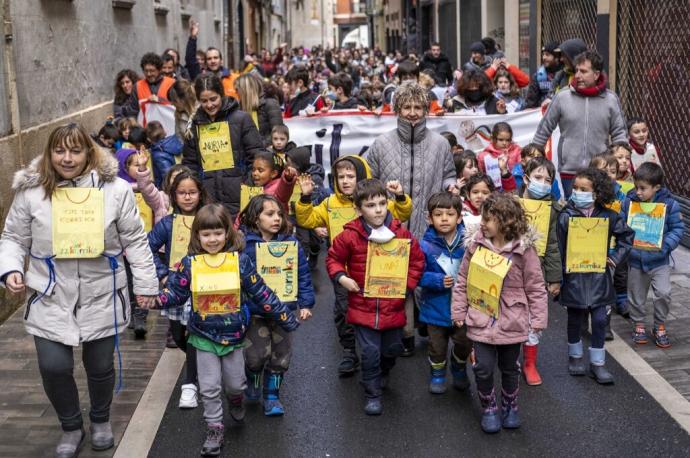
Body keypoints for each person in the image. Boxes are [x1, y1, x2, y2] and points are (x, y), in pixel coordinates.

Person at [0, 123, 158, 456]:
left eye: (75, 150)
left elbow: (134, 239)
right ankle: (71, 426)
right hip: (50, 293)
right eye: (59, 150)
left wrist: (145, 284)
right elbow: (13, 237)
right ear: (49, 153)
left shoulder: (114, 190)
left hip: (101, 292)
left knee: (100, 365)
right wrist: (11, 268)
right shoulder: (32, 192)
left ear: (89, 151)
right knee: (54, 366)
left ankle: (100, 419)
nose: (67, 158)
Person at [154, 203, 299, 457]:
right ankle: (214, 428)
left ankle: (235, 400)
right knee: (209, 387)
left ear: (227, 234)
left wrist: (285, 316)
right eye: (206, 234)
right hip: (203, 336)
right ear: (197, 235)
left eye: (218, 233)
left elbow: (261, 291)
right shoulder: (190, 263)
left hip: (233, 336)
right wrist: (156, 300)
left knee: (235, 384)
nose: (212, 239)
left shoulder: (240, 262)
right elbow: (176, 294)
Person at [296, 156, 412, 376]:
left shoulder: (373, 200)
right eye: (341, 177)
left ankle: (379, 347)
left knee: (375, 309)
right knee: (343, 310)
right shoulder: (330, 203)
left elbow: (402, 212)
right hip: (344, 270)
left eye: (351, 176)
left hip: (378, 266)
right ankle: (349, 351)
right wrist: (305, 196)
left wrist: (400, 196)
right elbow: (307, 219)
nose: (346, 181)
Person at [366, 81, 457, 354]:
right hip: (392, 226)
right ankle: (403, 335)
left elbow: (448, 174)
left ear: (426, 109)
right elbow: (369, 180)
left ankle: (430, 328)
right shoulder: (381, 144)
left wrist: (451, 185)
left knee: (430, 276)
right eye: (407, 106)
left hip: (430, 226)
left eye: (418, 106)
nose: (413, 112)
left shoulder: (440, 144)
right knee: (397, 282)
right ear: (397, 109)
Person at [326, 179, 425, 415]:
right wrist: (341, 277)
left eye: (382, 203)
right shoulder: (349, 236)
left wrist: (406, 286)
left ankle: (384, 370)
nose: (378, 209)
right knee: (370, 353)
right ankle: (372, 392)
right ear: (359, 209)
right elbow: (333, 259)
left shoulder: (401, 233)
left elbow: (417, 261)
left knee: (392, 349)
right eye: (371, 205)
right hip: (362, 306)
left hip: (393, 306)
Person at [451, 193, 548, 433]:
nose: (482, 223)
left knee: (509, 366)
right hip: (481, 316)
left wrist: (537, 319)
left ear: (506, 221)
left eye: (489, 219)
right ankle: (489, 407)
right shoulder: (475, 246)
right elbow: (463, 279)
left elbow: (535, 286)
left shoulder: (525, 251)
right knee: (482, 366)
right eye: (483, 218)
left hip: (512, 319)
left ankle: (510, 404)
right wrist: (459, 310)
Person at [239, 195, 315, 415]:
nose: (277, 219)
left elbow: (302, 274)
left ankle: (272, 396)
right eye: (269, 214)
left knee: (281, 356)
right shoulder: (244, 245)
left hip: (284, 311)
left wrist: (305, 303)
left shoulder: (291, 244)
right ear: (255, 218)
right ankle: (252, 379)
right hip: (255, 312)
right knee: (255, 356)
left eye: (279, 214)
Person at [557, 168, 633, 384]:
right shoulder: (566, 216)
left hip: (599, 277)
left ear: (597, 192)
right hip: (574, 277)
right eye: (576, 188)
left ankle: (598, 364)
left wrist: (615, 258)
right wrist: (558, 275)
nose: (578, 192)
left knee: (600, 320)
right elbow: (559, 247)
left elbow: (626, 238)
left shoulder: (609, 216)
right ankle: (575, 357)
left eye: (584, 189)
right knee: (575, 318)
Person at [148, 169, 211, 407]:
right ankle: (202, 362)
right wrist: (163, 275)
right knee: (178, 335)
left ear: (200, 194)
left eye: (192, 192)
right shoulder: (167, 224)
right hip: (175, 288)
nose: (187, 197)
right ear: (174, 196)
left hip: (203, 287)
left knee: (194, 333)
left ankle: (191, 383)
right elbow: (148, 248)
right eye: (182, 193)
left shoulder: (210, 219)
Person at [532, 51, 628, 197]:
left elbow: (620, 134)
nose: (577, 75)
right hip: (569, 172)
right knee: (574, 214)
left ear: (596, 75)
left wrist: (619, 160)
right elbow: (543, 130)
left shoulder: (611, 99)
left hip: (600, 172)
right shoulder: (562, 97)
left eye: (583, 71)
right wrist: (535, 158)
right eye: (576, 70)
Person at [182, 74, 263, 217]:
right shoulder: (194, 125)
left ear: (222, 95)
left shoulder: (242, 119)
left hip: (240, 197)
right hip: (207, 199)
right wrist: (197, 189)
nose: (209, 105)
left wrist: (247, 184)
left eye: (213, 99)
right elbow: (190, 163)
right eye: (204, 101)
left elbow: (257, 156)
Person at [622, 163, 683, 348]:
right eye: (636, 187)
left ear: (656, 187)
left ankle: (659, 325)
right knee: (636, 295)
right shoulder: (629, 202)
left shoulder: (669, 204)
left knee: (663, 293)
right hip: (635, 259)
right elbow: (621, 226)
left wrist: (665, 247)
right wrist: (628, 246)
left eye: (643, 188)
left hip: (659, 260)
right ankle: (638, 324)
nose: (638, 192)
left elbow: (678, 228)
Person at [419, 192, 471, 394]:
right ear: (429, 218)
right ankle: (438, 374)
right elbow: (415, 275)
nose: (444, 219)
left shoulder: (469, 243)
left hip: (464, 309)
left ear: (459, 217)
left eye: (450, 214)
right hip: (435, 307)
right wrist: (435, 280)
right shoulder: (424, 245)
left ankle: (458, 368)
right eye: (438, 214)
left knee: (464, 342)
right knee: (436, 346)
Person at [518, 157, 563, 385]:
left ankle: (530, 363)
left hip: (539, 270)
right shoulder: (512, 204)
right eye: (537, 178)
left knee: (534, 316)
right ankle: (507, 356)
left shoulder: (553, 210)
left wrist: (554, 278)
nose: (542, 183)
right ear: (526, 179)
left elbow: (554, 244)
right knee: (510, 313)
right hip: (512, 270)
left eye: (548, 180)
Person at [122, 53, 176, 120]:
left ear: (159, 70)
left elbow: (178, 107)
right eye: (146, 71)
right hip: (145, 128)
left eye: (152, 71)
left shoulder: (172, 83)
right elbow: (133, 112)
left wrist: (160, 100)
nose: (148, 74)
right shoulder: (137, 86)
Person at [234, 73, 284, 145]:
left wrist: (258, 147)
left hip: (266, 152)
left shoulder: (270, 104)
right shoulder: (239, 108)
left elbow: (278, 133)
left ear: (246, 90)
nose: (236, 93)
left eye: (237, 90)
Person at [477, 122, 521, 191]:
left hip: (514, 189)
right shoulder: (484, 156)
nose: (504, 143)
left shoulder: (516, 151)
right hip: (493, 191)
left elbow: (521, 170)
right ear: (493, 138)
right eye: (501, 139)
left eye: (508, 140)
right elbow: (480, 175)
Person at [524, 41, 562, 109]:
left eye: (547, 55)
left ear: (556, 57)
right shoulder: (538, 76)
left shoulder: (564, 75)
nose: (544, 57)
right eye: (543, 54)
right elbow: (531, 101)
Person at [146, 121, 183, 188]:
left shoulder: (158, 154)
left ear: (148, 139)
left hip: (169, 188)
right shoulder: (176, 142)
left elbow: (167, 176)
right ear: (164, 131)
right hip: (183, 178)